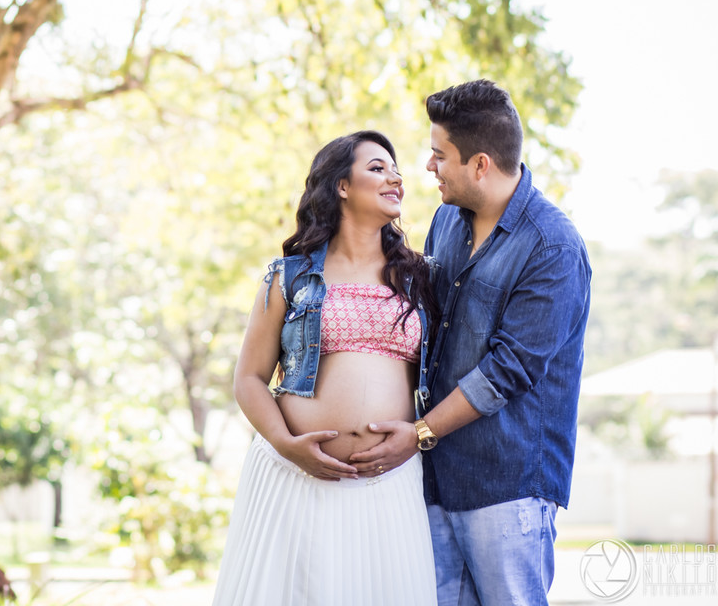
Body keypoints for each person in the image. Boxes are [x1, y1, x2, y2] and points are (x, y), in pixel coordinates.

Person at [351, 80, 592, 605]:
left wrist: (416, 434)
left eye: (440, 155)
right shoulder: (445, 222)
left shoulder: (552, 247)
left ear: (480, 164)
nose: (428, 167)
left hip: (506, 487)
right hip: (436, 481)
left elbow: (508, 370)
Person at [211, 130, 438, 605]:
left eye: (396, 169)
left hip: (388, 483)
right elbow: (249, 378)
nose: (395, 177)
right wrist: (287, 445)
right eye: (377, 168)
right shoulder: (289, 275)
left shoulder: (420, 276)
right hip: (293, 478)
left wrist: (416, 434)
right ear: (341, 186)